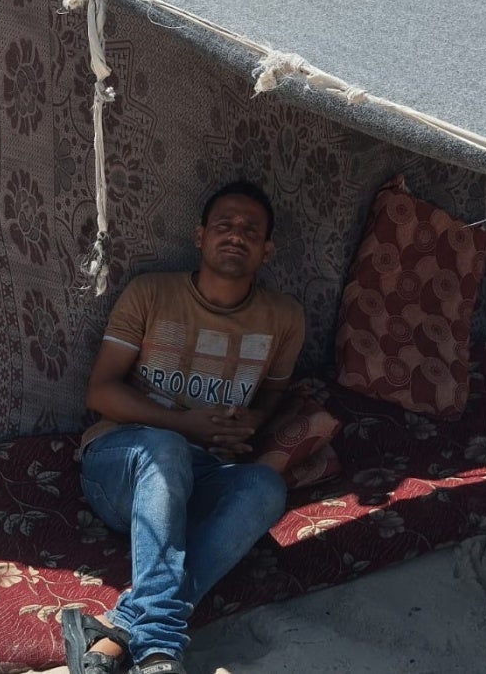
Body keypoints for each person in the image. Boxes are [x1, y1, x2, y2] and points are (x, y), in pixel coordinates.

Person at [61, 181, 306, 674]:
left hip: (204, 476)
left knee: (263, 484)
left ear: (266, 249)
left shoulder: (284, 316)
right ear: (199, 236)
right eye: (224, 226)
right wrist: (184, 424)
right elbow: (101, 391)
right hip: (122, 466)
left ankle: (123, 629)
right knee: (165, 448)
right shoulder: (152, 293)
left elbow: (275, 392)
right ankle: (158, 653)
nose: (235, 236)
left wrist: (253, 420)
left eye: (249, 230)